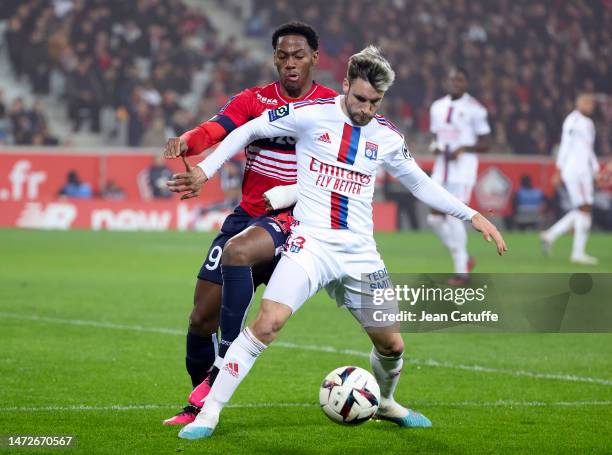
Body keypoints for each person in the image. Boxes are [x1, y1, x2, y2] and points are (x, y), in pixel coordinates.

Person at [174, 46, 506, 440]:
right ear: (346, 85)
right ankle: (209, 413)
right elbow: (249, 129)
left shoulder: (385, 136)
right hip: (310, 245)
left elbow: (419, 182)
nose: (366, 108)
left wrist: (472, 215)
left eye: (375, 102)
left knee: (393, 345)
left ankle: (384, 402)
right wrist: (207, 169)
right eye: (360, 98)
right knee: (267, 324)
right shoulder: (311, 115)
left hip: (360, 254)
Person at [163, 22, 337, 425]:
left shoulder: (332, 106)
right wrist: (186, 141)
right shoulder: (253, 100)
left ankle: (225, 358)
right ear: (274, 58)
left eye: (299, 55)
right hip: (248, 214)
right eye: (283, 56)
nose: (291, 63)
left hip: (295, 219)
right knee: (199, 318)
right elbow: (215, 130)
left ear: (314, 56)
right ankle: (199, 403)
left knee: (240, 252)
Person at [427, 67, 491, 285]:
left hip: (462, 171)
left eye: (460, 80)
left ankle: (461, 272)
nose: (455, 83)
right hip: (441, 168)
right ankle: (463, 258)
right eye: (452, 79)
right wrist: (434, 146)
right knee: (433, 218)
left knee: (455, 217)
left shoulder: (475, 109)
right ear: (447, 81)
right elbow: (435, 136)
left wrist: (463, 148)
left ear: (466, 83)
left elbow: (485, 143)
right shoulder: (437, 107)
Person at [540, 93, 600, 264]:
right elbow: (564, 145)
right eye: (586, 102)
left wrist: (595, 169)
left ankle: (551, 235)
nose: (590, 105)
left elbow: (589, 149)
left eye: (591, 103)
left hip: (586, 171)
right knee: (584, 208)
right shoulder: (572, 120)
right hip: (573, 170)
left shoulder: (589, 124)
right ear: (578, 103)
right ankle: (577, 253)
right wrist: (558, 170)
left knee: (584, 209)